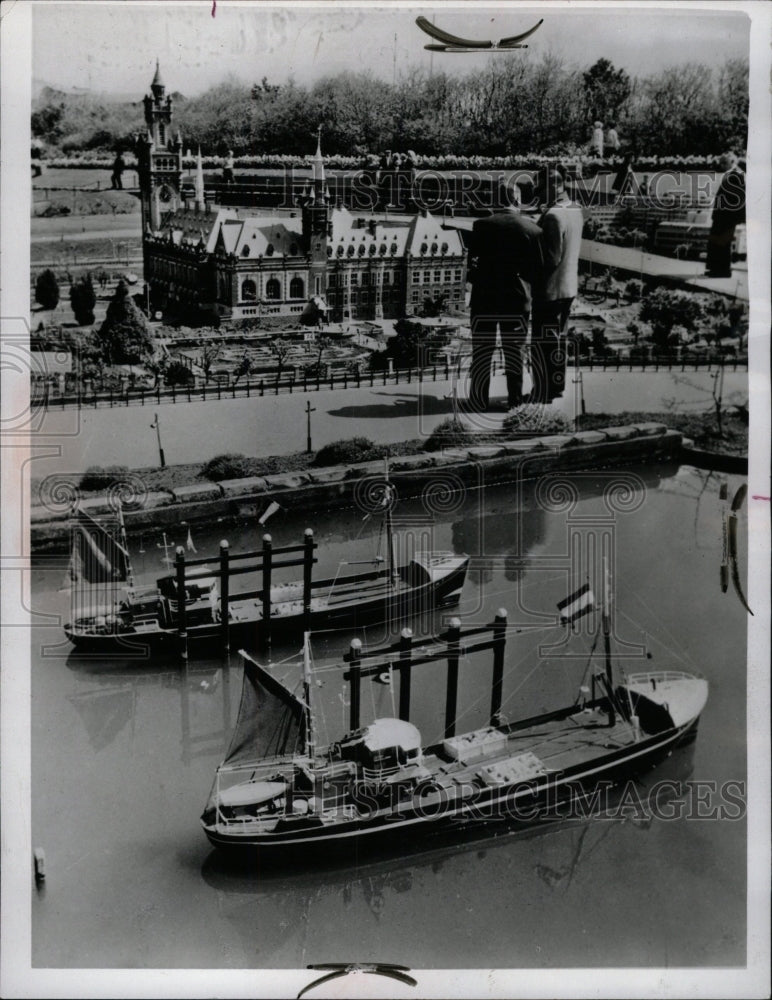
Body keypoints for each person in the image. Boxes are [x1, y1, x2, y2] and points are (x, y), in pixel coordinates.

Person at [466, 177, 544, 412]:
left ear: (495, 200)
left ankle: (478, 400)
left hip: (485, 298)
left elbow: (473, 264)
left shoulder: (481, 225)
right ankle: (515, 402)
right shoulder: (533, 229)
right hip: (517, 298)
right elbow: (539, 269)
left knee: (481, 350)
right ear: (518, 200)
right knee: (514, 351)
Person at [530, 168, 584, 404]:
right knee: (558, 339)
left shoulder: (552, 215)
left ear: (553, 187)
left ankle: (542, 392)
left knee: (543, 344)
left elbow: (550, 259)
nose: (539, 195)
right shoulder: (574, 209)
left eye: (540, 190)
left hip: (550, 291)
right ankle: (557, 386)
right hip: (568, 286)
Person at [705, 152, 745, 279]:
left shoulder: (736, 175)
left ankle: (722, 271)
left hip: (727, 216)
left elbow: (739, 198)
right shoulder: (730, 174)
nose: (722, 165)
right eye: (721, 163)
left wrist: (736, 217)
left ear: (732, 162)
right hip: (722, 215)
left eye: (724, 163)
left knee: (723, 243)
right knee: (717, 242)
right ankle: (715, 268)